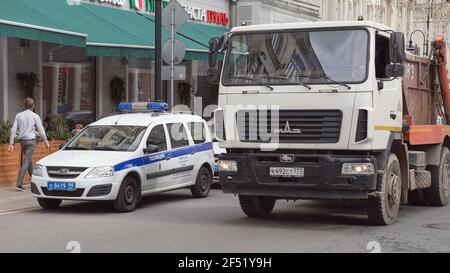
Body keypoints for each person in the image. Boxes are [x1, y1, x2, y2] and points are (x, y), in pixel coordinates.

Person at [8, 98, 50, 192]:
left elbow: (13, 129)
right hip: (31, 141)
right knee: (27, 161)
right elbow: (41, 130)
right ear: (33, 105)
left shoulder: (18, 115)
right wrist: (46, 142)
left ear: (24, 105)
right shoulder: (35, 116)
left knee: (28, 160)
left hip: (22, 141)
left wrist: (11, 143)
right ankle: (19, 183)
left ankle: (33, 180)